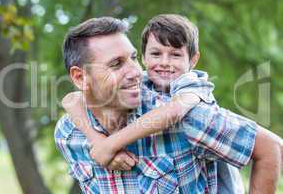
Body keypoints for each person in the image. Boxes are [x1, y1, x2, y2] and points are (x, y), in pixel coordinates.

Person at [55, 16, 283, 193]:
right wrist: (99, 141)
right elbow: (71, 100)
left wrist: (110, 145)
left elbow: (271, 148)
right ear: (79, 78)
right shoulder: (68, 133)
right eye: (116, 64)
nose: (135, 72)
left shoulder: (190, 117)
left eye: (133, 58)